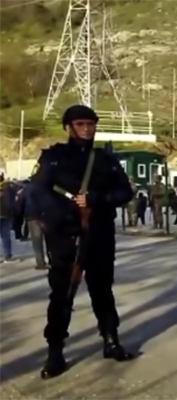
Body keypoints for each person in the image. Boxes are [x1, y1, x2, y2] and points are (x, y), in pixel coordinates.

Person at [30, 104, 137, 380]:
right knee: (62, 294)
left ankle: (111, 340)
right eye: (80, 124)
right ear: (69, 127)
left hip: (99, 233)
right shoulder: (53, 157)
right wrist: (62, 220)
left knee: (102, 290)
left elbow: (125, 191)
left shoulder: (105, 159)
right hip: (65, 236)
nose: (87, 129)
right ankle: (55, 351)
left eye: (90, 124)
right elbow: (38, 192)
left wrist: (98, 199)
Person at [24, 180, 48, 270]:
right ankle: (54, 260)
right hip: (47, 215)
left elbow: (20, 203)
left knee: (37, 242)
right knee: (51, 239)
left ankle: (40, 262)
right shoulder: (47, 185)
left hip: (32, 216)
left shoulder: (27, 188)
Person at [0, 169, 16, 263]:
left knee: (6, 237)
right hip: (4, 214)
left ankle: (8, 256)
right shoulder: (7, 187)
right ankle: (8, 256)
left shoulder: (6, 187)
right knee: (6, 237)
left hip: (4, 214)